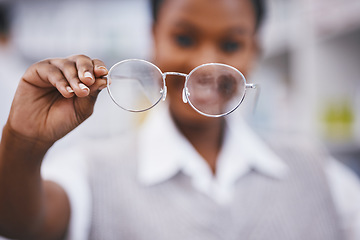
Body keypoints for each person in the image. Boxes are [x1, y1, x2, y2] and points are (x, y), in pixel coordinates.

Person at [1, 0, 360, 239]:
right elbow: (20, 222)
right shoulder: (94, 171)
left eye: (231, 45)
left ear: (255, 51)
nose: (205, 63)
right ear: (153, 38)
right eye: (184, 38)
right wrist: (23, 141)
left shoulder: (314, 170)